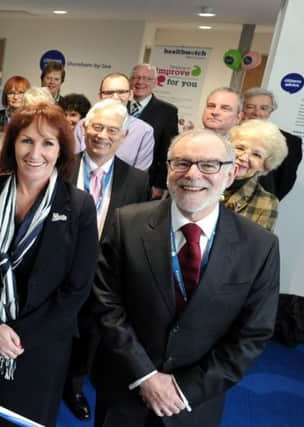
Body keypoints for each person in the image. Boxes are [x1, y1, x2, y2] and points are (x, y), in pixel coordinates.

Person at [91, 129, 280, 427]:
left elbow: (252, 333)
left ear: (230, 174)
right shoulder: (126, 222)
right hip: (126, 388)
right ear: (168, 169)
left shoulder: (260, 245)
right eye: (181, 163)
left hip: (194, 403)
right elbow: (106, 303)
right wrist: (146, 375)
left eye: (209, 165)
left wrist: (184, 389)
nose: (192, 174)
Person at [0, 102, 99, 426]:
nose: (35, 152)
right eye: (27, 141)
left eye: (47, 143)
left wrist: (19, 336)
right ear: (12, 145)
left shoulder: (78, 206)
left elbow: (77, 288)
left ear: (61, 150)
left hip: (40, 347)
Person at [63, 99, 150, 420]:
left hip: (104, 276)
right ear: (84, 128)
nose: (102, 135)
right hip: (59, 271)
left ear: (124, 136)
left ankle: (73, 386)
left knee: (90, 336)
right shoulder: (61, 166)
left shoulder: (137, 180)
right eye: (96, 127)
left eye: (112, 130)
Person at [75, 73, 155, 172]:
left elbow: (138, 175)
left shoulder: (144, 131)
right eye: (109, 92)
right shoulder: (82, 125)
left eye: (121, 92)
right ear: (100, 96)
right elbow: (72, 164)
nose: (115, 97)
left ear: (130, 95)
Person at [223, 119, 287, 232]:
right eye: (240, 148)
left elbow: (256, 248)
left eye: (256, 155)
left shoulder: (266, 203)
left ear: (265, 165)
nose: (243, 157)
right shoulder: (201, 180)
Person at [241, 87, 303, 200]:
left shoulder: (291, 142)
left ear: (271, 111)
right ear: (242, 108)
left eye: (263, 108)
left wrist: (267, 203)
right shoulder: (229, 133)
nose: (256, 112)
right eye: (250, 107)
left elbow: (286, 181)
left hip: (260, 204)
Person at [129, 64, 179, 198]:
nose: (140, 82)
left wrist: (159, 184)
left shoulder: (168, 112)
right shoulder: (118, 106)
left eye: (146, 79)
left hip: (147, 181)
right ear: (130, 81)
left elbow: (168, 152)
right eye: (136, 78)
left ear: (155, 83)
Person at [0, 75, 31, 142]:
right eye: (11, 93)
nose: (15, 97)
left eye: (21, 93)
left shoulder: (32, 118)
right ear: (5, 96)